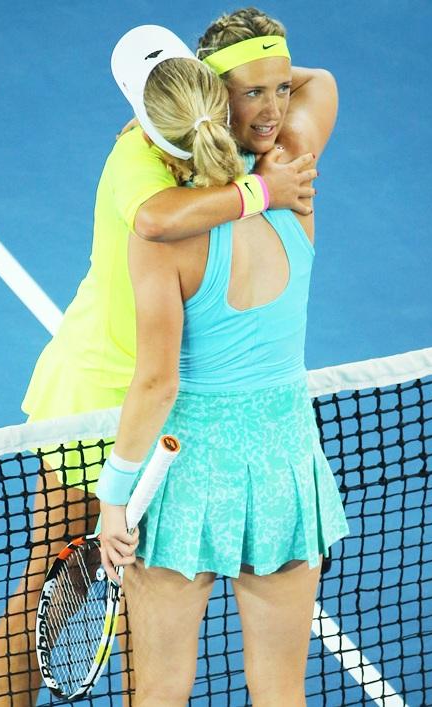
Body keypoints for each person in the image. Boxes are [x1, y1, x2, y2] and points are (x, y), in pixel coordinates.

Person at [0, 9, 327, 706]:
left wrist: (245, 94)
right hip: (103, 396)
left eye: (276, 91)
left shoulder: (224, 152)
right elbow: (155, 220)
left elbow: (311, 86)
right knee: (57, 577)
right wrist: (261, 188)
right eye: (251, 92)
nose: (269, 110)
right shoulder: (140, 163)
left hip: (169, 413)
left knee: (146, 623)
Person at [97, 19, 349, 707]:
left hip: (188, 478)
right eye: (255, 94)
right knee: (280, 694)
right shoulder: (293, 167)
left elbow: (157, 381)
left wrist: (115, 497)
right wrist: (274, 87)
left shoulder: (164, 237)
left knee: (162, 694)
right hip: (284, 466)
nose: (271, 107)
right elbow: (319, 84)